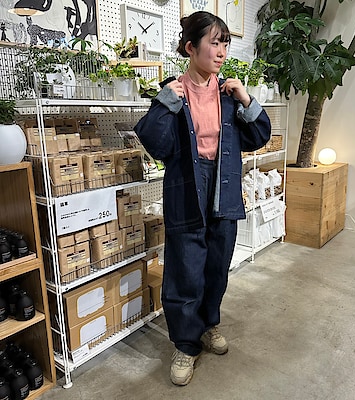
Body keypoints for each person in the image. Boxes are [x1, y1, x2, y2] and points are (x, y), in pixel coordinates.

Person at [134, 11, 271, 386]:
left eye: (225, 43)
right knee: (185, 271)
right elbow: (155, 144)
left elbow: (259, 136)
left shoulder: (228, 94)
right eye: (214, 42)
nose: (222, 51)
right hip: (186, 188)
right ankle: (185, 344)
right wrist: (165, 102)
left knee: (216, 267)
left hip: (223, 187)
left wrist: (246, 98)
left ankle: (208, 325)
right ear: (191, 47)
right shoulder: (173, 91)